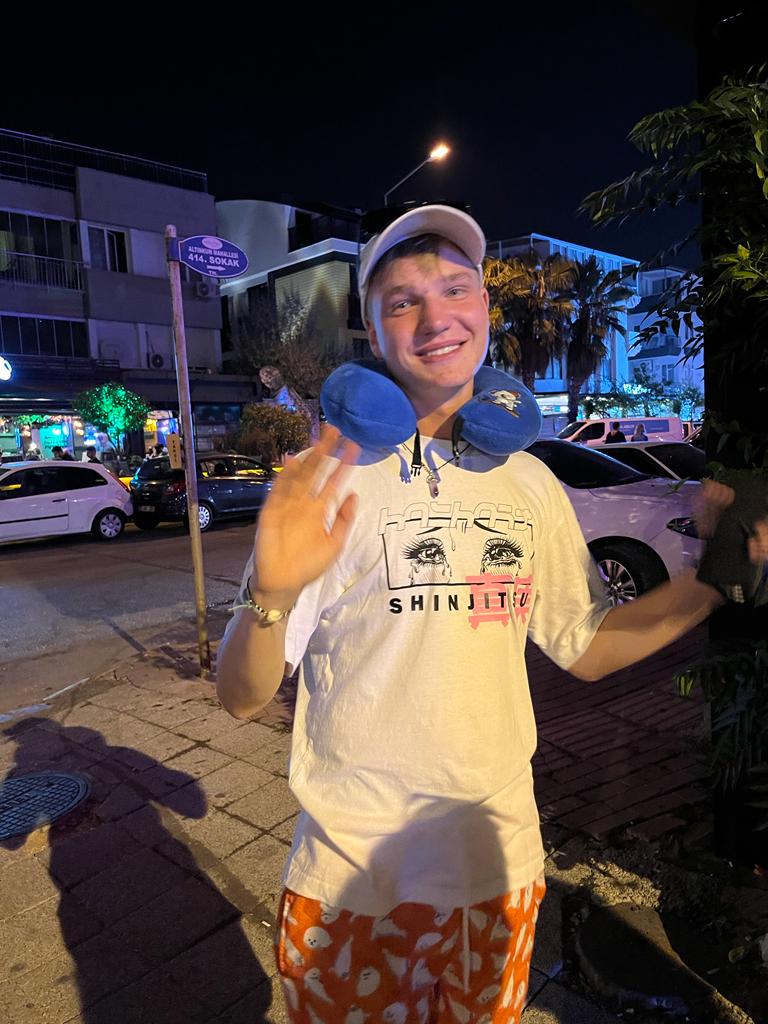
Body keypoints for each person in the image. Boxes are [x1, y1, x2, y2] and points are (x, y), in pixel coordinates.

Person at [216, 204, 768, 1024]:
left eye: (454, 288)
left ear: (485, 307)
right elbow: (242, 696)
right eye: (403, 300)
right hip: (352, 883)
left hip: (498, 869)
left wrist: (716, 581)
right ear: (373, 332)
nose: (435, 316)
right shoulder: (327, 479)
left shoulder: (532, 484)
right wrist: (270, 592)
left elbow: (586, 646)